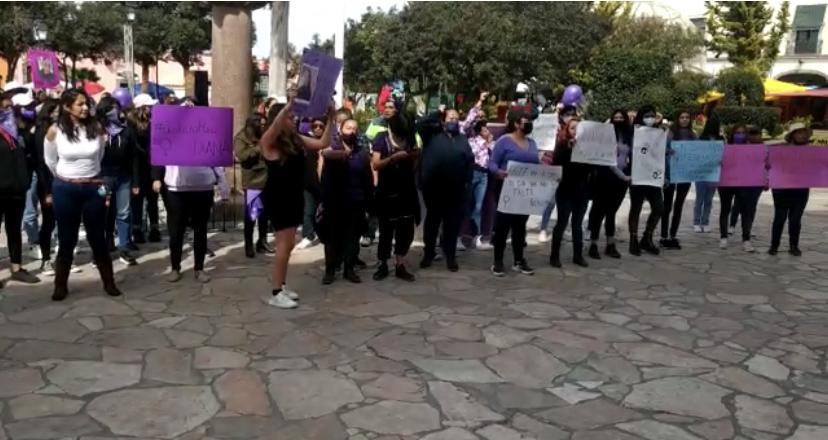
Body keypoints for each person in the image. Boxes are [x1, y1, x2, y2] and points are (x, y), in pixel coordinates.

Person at [44, 89, 120, 301]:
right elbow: (50, 161)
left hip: (93, 188)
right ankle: (60, 285)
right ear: (67, 107)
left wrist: (88, 177)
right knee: (67, 238)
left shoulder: (96, 128)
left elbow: (100, 155)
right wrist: (66, 179)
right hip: (66, 189)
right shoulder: (55, 130)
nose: (85, 107)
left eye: (86, 103)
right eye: (80, 104)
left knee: (98, 237)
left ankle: (109, 282)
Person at [259, 95, 335, 308]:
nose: (294, 120)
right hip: (277, 196)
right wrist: (287, 108)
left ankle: (281, 286)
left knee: (289, 244)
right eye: (290, 118)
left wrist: (332, 118)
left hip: (293, 195)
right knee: (284, 244)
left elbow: (323, 142)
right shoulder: (269, 142)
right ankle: (275, 292)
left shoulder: (297, 140)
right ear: (280, 120)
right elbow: (273, 128)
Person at [417, 107, 474, 272]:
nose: (453, 121)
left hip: (455, 190)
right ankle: (428, 254)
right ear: (443, 120)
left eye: (456, 118)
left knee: (452, 225)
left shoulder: (462, 139)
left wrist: (467, 181)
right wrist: (437, 112)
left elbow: (470, 160)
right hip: (434, 188)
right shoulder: (431, 136)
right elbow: (421, 124)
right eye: (449, 118)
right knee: (432, 223)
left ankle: (450, 256)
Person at [489, 110, 546, 276]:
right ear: (515, 123)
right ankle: (498, 261)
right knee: (503, 226)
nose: (528, 123)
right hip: (506, 189)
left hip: (525, 192)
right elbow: (492, 163)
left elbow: (535, 164)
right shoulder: (504, 142)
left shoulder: (532, 143)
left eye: (529, 120)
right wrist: (498, 172)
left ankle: (519, 260)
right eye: (525, 120)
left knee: (520, 227)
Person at [152, 160, 228, 283]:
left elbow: (215, 159)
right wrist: (156, 177)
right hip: (176, 190)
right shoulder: (173, 140)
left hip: (203, 188)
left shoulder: (206, 140)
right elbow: (161, 153)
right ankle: (175, 268)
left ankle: (199, 268)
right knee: (176, 232)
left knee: (200, 230)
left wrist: (223, 185)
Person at [319, 118, 374, 284]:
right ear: (341, 129)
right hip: (334, 202)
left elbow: (367, 178)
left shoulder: (361, 153)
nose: (352, 131)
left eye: (355, 128)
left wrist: (368, 201)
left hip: (356, 201)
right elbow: (324, 173)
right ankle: (330, 270)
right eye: (349, 128)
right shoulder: (332, 149)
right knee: (332, 238)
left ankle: (349, 269)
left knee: (352, 238)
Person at [370, 111, 420, 282]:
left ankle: (400, 264)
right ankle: (382, 263)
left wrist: (412, 156)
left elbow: (414, 162)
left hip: (406, 189)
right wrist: (393, 158)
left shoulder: (409, 137)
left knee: (405, 228)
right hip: (387, 190)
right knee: (386, 229)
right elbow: (376, 164)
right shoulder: (381, 138)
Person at [0, 89, 41, 288]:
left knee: (14, 229)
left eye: (10, 105)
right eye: (4, 104)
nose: (8, 107)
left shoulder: (17, 130)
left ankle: (16, 268)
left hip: (17, 188)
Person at [96, 96, 140, 266]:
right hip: (103, 177)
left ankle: (124, 247)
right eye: (111, 108)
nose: (115, 111)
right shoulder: (99, 131)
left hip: (123, 178)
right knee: (103, 212)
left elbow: (134, 158)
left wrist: (136, 181)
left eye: (117, 107)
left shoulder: (127, 131)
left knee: (124, 213)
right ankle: (103, 247)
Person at [587, 109, 631, 259]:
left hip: (621, 180)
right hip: (605, 178)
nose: (618, 120)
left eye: (621, 117)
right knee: (599, 211)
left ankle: (610, 244)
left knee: (611, 211)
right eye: (615, 117)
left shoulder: (628, 136)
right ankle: (593, 243)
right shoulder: (604, 137)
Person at [550, 118, 592, 268]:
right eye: (573, 128)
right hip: (565, 190)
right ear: (567, 130)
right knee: (562, 223)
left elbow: (591, 169)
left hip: (582, 191)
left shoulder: (588, 148)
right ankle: (554, 256)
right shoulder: (562, 145)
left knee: (577, 224)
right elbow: (556, 164)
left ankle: (578, 255)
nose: (576, 131)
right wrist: (568, 148)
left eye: (579, 128)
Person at [234, 113, 274, 258]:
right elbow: (241, 155)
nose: (263, 126)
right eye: (260, 124)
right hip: (253, 181)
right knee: (252, 215)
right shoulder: (241, 137)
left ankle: (262, 242)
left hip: (268, 179)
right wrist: (258, 148)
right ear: (253, 123)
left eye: (264, 123)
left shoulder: (265, 134)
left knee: (265, 215)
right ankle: (249, 245)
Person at [627, 105, 664, 256]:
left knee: (659, 207)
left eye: (652, 115)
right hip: (638, 175)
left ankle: (647, 237)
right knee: (636, 207)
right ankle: (633, 239)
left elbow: (660, 152)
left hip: (653, 176)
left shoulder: (659, 133)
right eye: (647, 115)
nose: (650, 118)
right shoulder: (633, 132)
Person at [769, 122, 811, 256]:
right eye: (799, 132)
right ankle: (774, 246)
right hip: (782, 188)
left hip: (801, 189)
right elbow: (771, 164)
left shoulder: (812, 152)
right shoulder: (780, 149)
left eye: (804, 133)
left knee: (795, 219)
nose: (802, 135)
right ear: (792, 135)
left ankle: (794, 246)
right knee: (780, 218)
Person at [717, 124, 759, 252]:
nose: (739, 135)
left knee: (746, 211)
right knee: (725, 209)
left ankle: (746, 240)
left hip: (744, 182)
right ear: (732, 134)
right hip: (727, 182)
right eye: (737, 132)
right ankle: (723, 237)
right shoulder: (725, 148)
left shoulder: (752, 149)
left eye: (742, 133)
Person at [539, 105, 577, 243]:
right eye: (566, 114)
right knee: (550, 201)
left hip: (569, 171)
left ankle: (563, 227)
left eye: (572, 113)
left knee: (567, 202)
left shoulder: (577, 130)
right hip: (552, 167)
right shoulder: (553, 129)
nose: (569, 116)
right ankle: (543, 228)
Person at [32, 99, 62, 275]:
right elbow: (42, 165)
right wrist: (47, 191)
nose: (58, 114)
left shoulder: (63, 129)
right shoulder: (41, 132)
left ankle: (64, 257)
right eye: (56, 111)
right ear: (49, 112)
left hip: (64, 179)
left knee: (65, 222)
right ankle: (46, 259)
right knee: (49, 223)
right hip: (48, 183)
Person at [660, 110, 697, 249]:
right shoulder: (670, 133)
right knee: (667, 205)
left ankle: (673, 234)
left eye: (687, 117)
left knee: (679, 205)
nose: (685, 119)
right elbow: (661, 150)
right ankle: (664, 235)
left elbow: (697, 152)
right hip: (670, 172)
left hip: (685, 174)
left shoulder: (693, 135)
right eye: (682, 117)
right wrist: (670, 152)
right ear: (677, 119)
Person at [127, 94, 161, 244]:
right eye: (149, 106)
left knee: (152, 200)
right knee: (137, 200)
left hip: (151, 166)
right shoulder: (131, 125)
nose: (151, 108)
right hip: (137, 168)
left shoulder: (154, 123)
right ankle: (137, 229)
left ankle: (154, 228)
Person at [296, 117, 325, 250]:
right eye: (315, 126)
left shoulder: (329, 142)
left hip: (325, 184)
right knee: (308, 211)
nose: (318, 128)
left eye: (321, 126)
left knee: (324, 212)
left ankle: (324, 234)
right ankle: (308, 235)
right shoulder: (307, 141)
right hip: (309, 183)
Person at [693, 113, 721, 233]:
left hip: (714, 173)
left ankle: (705, 221)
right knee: (700, 198)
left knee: (708, 199)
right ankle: (696, 221)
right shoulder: (701, 139)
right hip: (701, 173)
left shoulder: (721, 140)